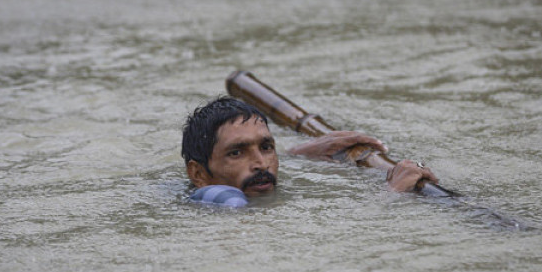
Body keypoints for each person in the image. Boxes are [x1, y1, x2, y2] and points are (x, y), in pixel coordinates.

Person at [181, 96, 439, 207]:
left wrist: (302, 152)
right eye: (236, 153)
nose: (261, 164)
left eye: (267, 147)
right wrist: (391, 193)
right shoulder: (222, 210)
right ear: (198, 174)